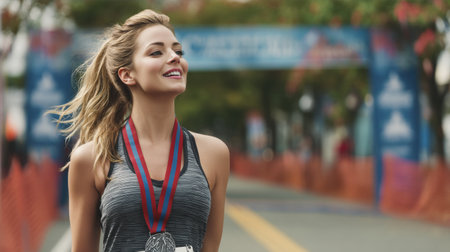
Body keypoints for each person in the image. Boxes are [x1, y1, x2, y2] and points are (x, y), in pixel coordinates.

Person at [49, 9, 229, 252]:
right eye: (157, 52)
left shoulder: (214, 153)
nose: (175, 57)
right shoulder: (91, 158)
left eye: (178, 51)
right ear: (127, 74)